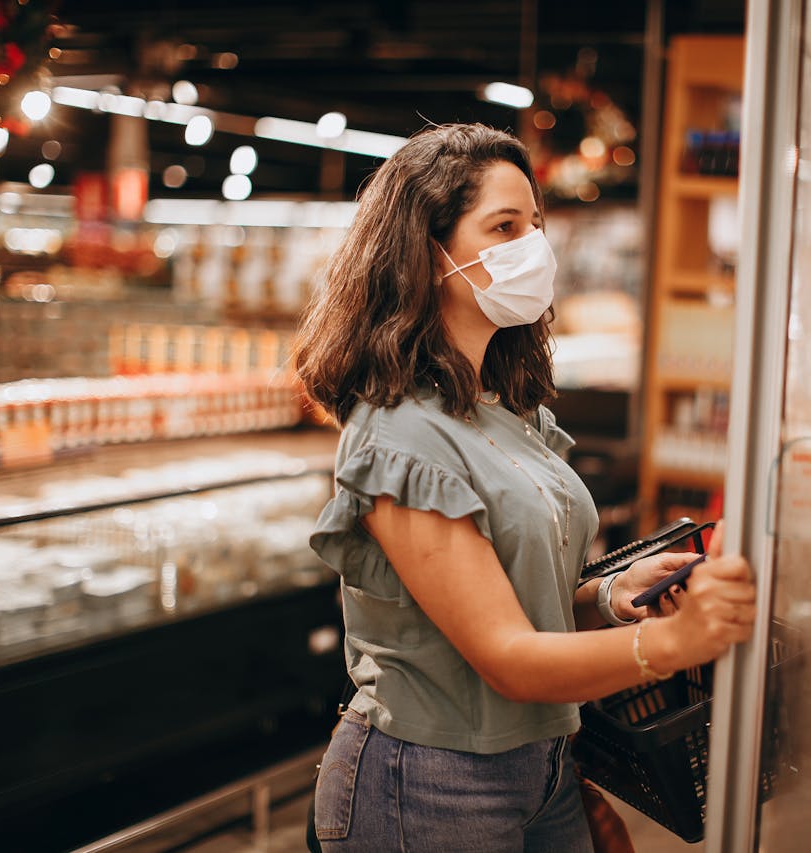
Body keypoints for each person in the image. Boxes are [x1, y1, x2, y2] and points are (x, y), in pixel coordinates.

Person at [293, 123, 757, 852]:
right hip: (428, 783)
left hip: (542, 768)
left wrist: (613, 593)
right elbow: (507, 655)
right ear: (426, 250)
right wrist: (674, 641)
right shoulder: (399, 434)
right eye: (503, 226)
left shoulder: (509, 411)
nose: (532, 247)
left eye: (534, 225)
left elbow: (519, 601)